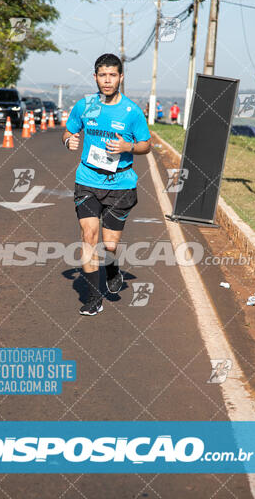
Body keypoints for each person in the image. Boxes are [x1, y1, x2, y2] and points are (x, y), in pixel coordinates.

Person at [62, 53, 151, 316]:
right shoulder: (85, 105)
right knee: (89, 235)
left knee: (109, 246)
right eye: (103, 75)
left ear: (121, 77)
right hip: (87, 179)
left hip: (120, 184)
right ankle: (93, 298)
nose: (107, 80)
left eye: (113, 75)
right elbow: (68, 131)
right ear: (95, 77)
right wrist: (69, 141)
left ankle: (112, 266)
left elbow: (146, 145)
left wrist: (128, 146)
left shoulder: (131, 112)